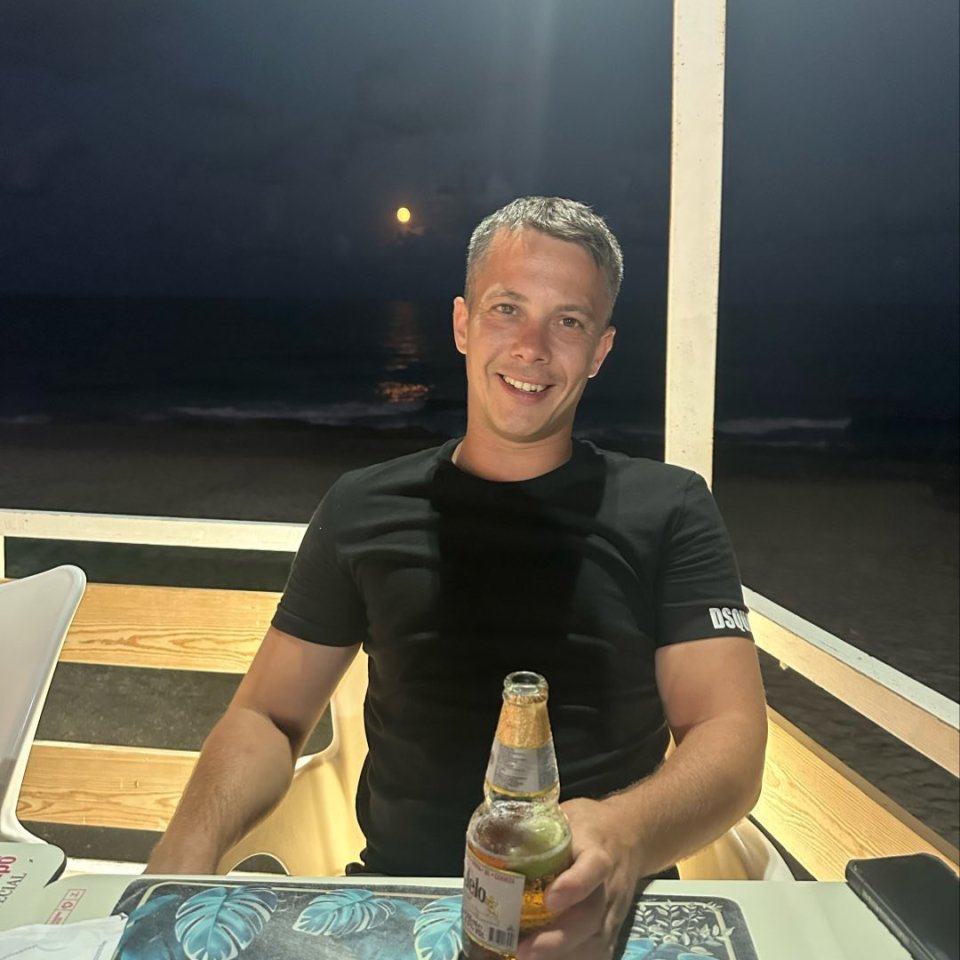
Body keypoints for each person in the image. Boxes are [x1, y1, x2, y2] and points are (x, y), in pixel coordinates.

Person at [147, 197, 768, 960]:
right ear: (462, 323)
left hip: (599, 908)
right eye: (508, 308)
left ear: (600, 350)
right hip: (396, 907)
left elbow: (730, 738)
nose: (533, 348)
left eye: (568, 321)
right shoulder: (362, 506)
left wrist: (625, 833)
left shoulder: (669, 508)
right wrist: (179, 857)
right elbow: (269, 718)